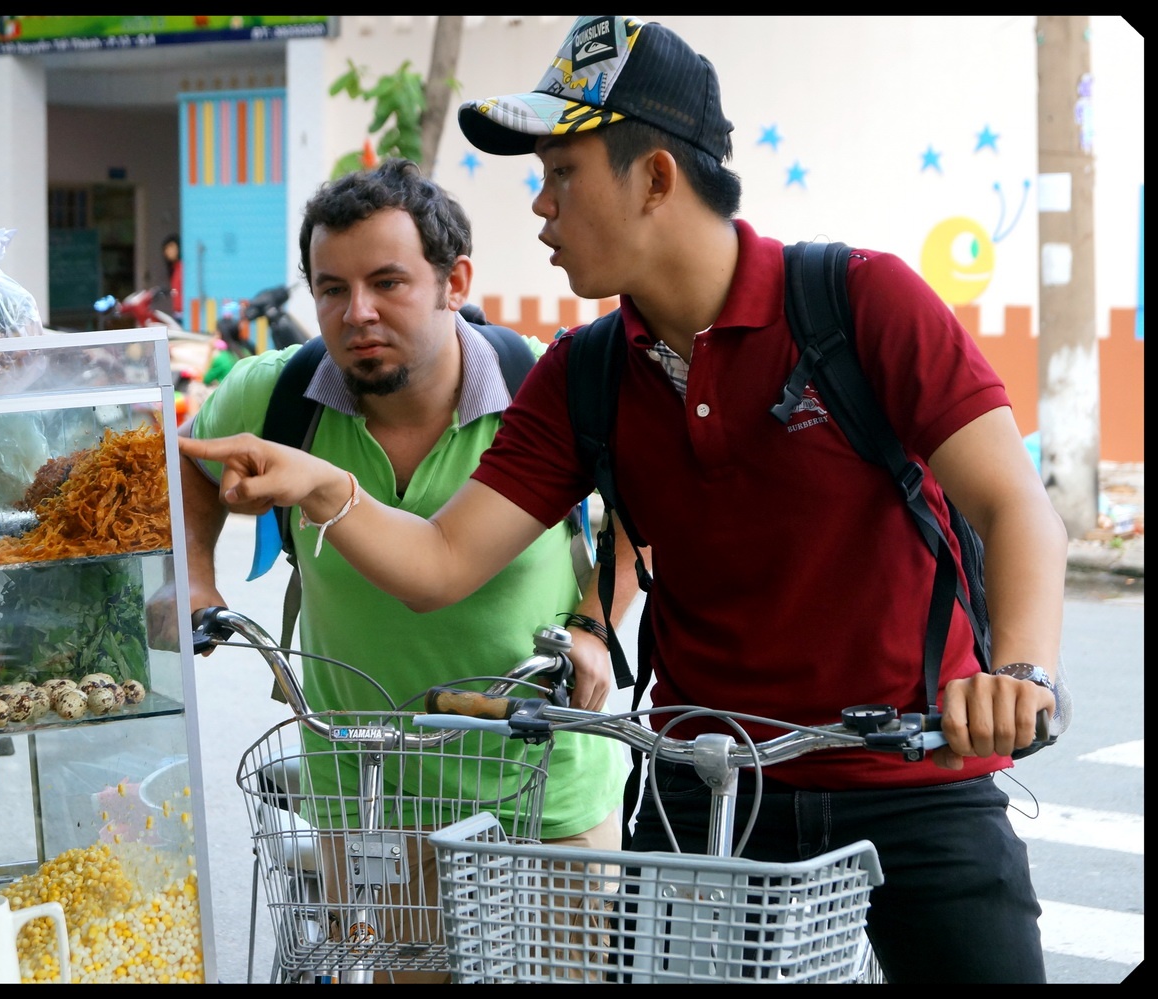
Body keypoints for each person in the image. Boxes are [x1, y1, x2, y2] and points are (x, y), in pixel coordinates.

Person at [178, 17, 1069, 985]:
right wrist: (324, 486)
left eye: (562, 175)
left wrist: (1018, 671)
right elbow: (439, 566)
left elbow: (1013, 504)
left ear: (654, 178)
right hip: (707, 787)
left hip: (915, 775)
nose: (541, 208)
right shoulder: (583, 374)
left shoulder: (861, 303)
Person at [162, 158, 640, 982]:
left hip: (546, 787)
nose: (358, 314)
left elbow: (644, 503)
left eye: (388, 282)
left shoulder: (543, 387)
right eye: (331, 288)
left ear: (455, 280)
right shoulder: (277, 396)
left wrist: (597, 626)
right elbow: (187, 471)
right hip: (370, 794)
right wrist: (194, 578)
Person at [161, 233, 184, 320]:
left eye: (171, 247)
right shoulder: (174, 268)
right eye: (166, 248)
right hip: (177, 313)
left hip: (185, 312)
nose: (168, 251)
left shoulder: (184, 267)